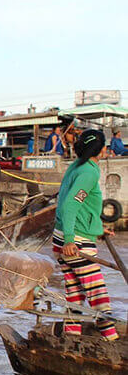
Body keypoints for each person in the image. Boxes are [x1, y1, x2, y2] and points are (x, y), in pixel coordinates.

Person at [52, 129, 119, 341]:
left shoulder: (77, 166)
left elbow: (81, 207)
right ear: (100, 150)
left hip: (62, 238)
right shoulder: (89, 173)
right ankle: (111, 338)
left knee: (75, 293)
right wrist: (71, 240)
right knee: (98, 294)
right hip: (74, 242)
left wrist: (97, 230)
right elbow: (71, 205)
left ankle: (71, 338)